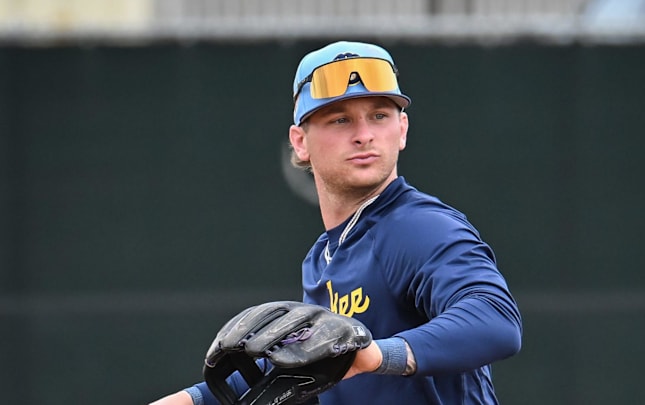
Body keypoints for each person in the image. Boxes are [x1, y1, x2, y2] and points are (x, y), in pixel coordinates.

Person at [151, 40, 522, 405]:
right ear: (300, 142)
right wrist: (193, 401)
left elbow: (495, 320)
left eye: (379, 115)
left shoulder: (419, 227)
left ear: (402, 129)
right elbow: (298, 363)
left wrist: (375, 355)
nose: (364, 134)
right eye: (340, 119)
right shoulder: (323, 255)